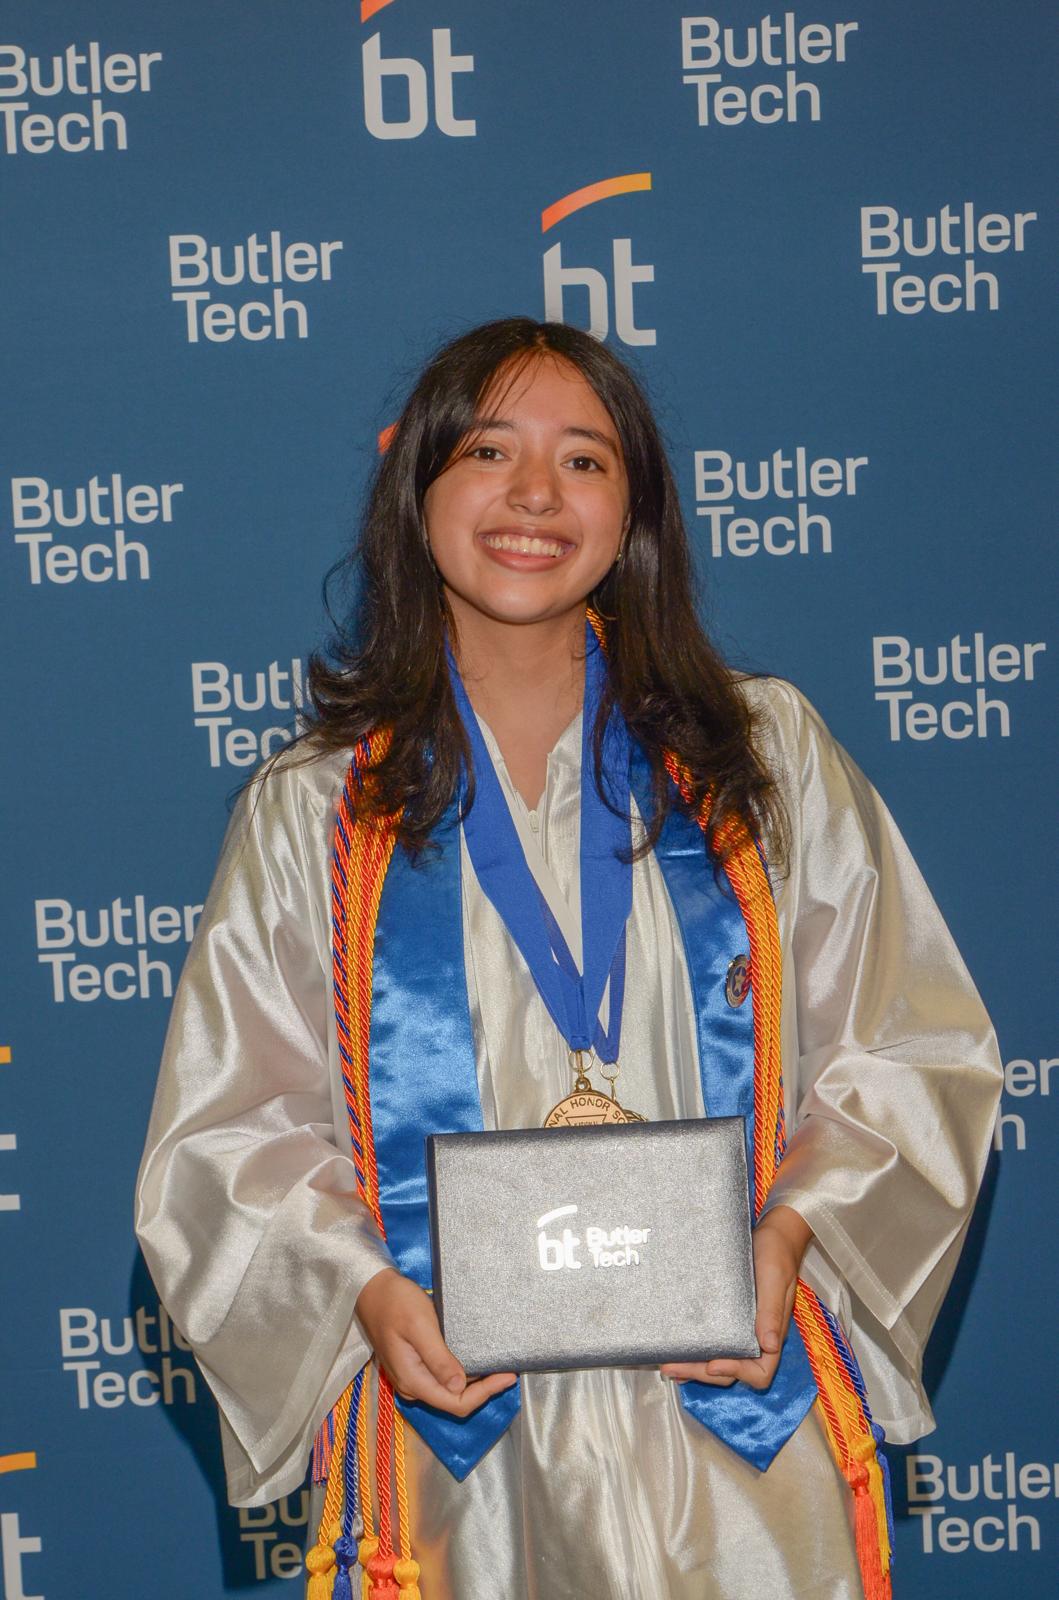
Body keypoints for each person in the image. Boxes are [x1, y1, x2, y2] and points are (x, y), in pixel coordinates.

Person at [134, 318, 1002, 1600]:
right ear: (417, 490)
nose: (536, 494)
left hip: (737, 1429)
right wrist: (368, 1296)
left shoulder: (760, 758)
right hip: (466, 1459)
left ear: (633, 509)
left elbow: (913, 1045)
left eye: (585, 460)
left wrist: (790, 1240)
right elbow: (229, 1136)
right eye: (490, 450)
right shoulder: (321, 809)